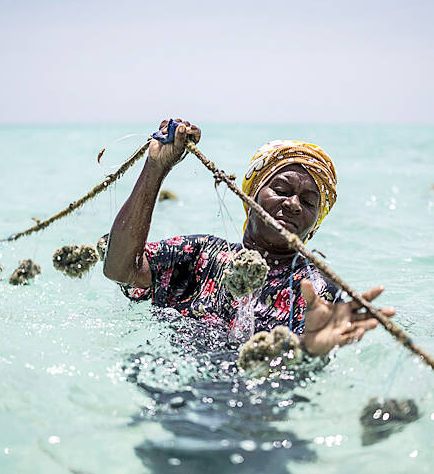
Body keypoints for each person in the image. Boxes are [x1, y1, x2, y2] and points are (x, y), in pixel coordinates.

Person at [103, 119, 395, 357]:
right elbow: (120, 269)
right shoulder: (202, 255)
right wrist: (156, 168)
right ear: (251, 193)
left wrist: (310, 347)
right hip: (173, 401)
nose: (293, 204)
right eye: (281, 189)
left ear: (314, 225)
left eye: (307, 202)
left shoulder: (315, 289)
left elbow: (293, 365)